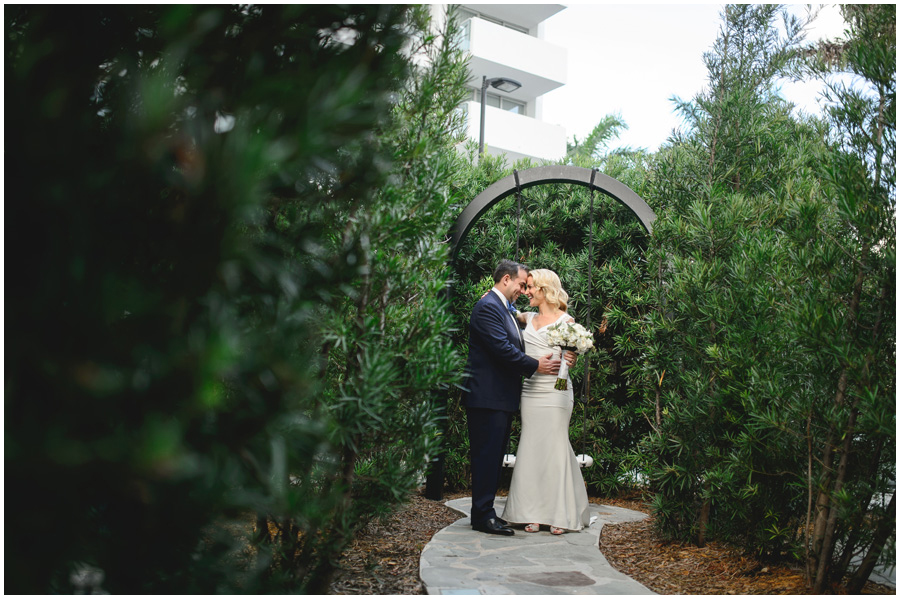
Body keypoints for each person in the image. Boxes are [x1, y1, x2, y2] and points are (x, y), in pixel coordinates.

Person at [462, 259, 566, 536]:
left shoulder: (503, 308)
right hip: (486, 397)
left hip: (500, 397)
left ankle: (485, 513)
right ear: (505, 279)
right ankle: (483, 517)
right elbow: (501, 348)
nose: (523, 289)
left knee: (493, 458)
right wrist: (535, 366)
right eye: (521, 284)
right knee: (486, 458)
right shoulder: (488, 308)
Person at [501, 268, 591, 535]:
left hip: (556, 392)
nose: (526, 292)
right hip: (530, 391)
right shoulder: (526, 317)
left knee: (554, 448)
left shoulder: (567, 321)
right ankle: (531, 512)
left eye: (530, 287)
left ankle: (559, 514)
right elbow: (504, 309)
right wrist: (490, 295)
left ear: (544, 290)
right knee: (531, 449)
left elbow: (570, 358)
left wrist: (572, 359)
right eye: (525, 287)